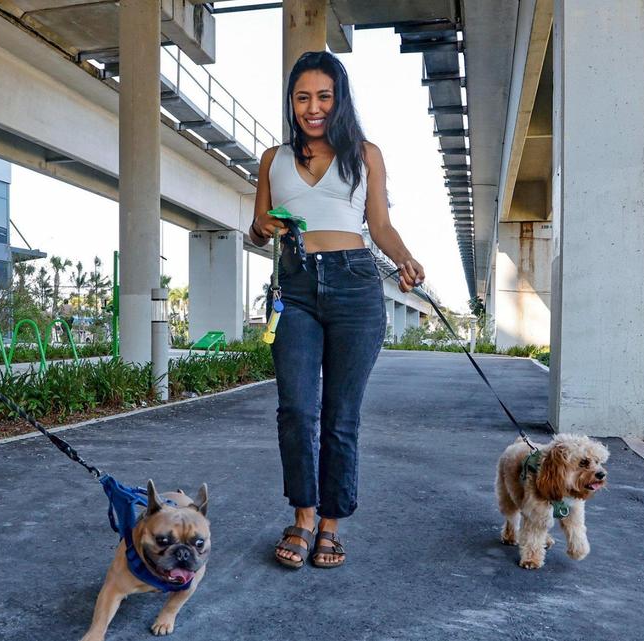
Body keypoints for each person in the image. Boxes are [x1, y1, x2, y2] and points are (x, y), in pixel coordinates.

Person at [249, 51, 425, 570]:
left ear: (339, 99)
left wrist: (406, 259)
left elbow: (380, 226)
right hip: (295, 286)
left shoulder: (365, 155)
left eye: (324, 96)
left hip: (355, 283)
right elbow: (255, 226)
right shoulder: (272, 159)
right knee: (297, 411)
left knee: (340, 418)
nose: (313, 107)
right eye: (303, 97)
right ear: (291, 103)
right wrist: (262, 228)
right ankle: (302, 516)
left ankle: (330, 524)